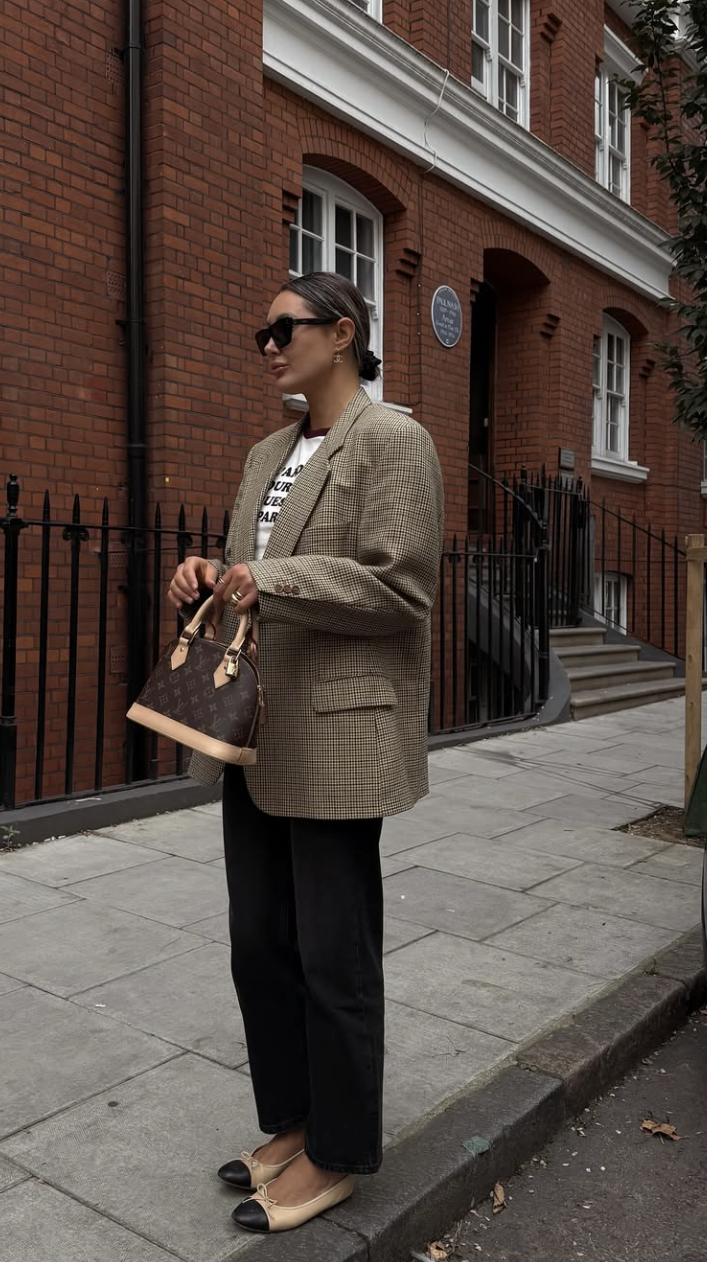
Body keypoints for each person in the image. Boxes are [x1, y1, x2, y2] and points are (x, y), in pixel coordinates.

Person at [167, 271, 443, 1233]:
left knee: (334, 955)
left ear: (344, 332)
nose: (269, 345)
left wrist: (271, 578)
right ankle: (292, 1120)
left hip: (338, 734)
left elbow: (401, 587)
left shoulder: (393, 440)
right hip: (256, 729)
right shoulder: (266, 454)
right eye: (263, 333)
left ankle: (338, 1151)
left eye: (284, 328)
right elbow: (253, 575)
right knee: (259, 944)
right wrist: (209, 574)